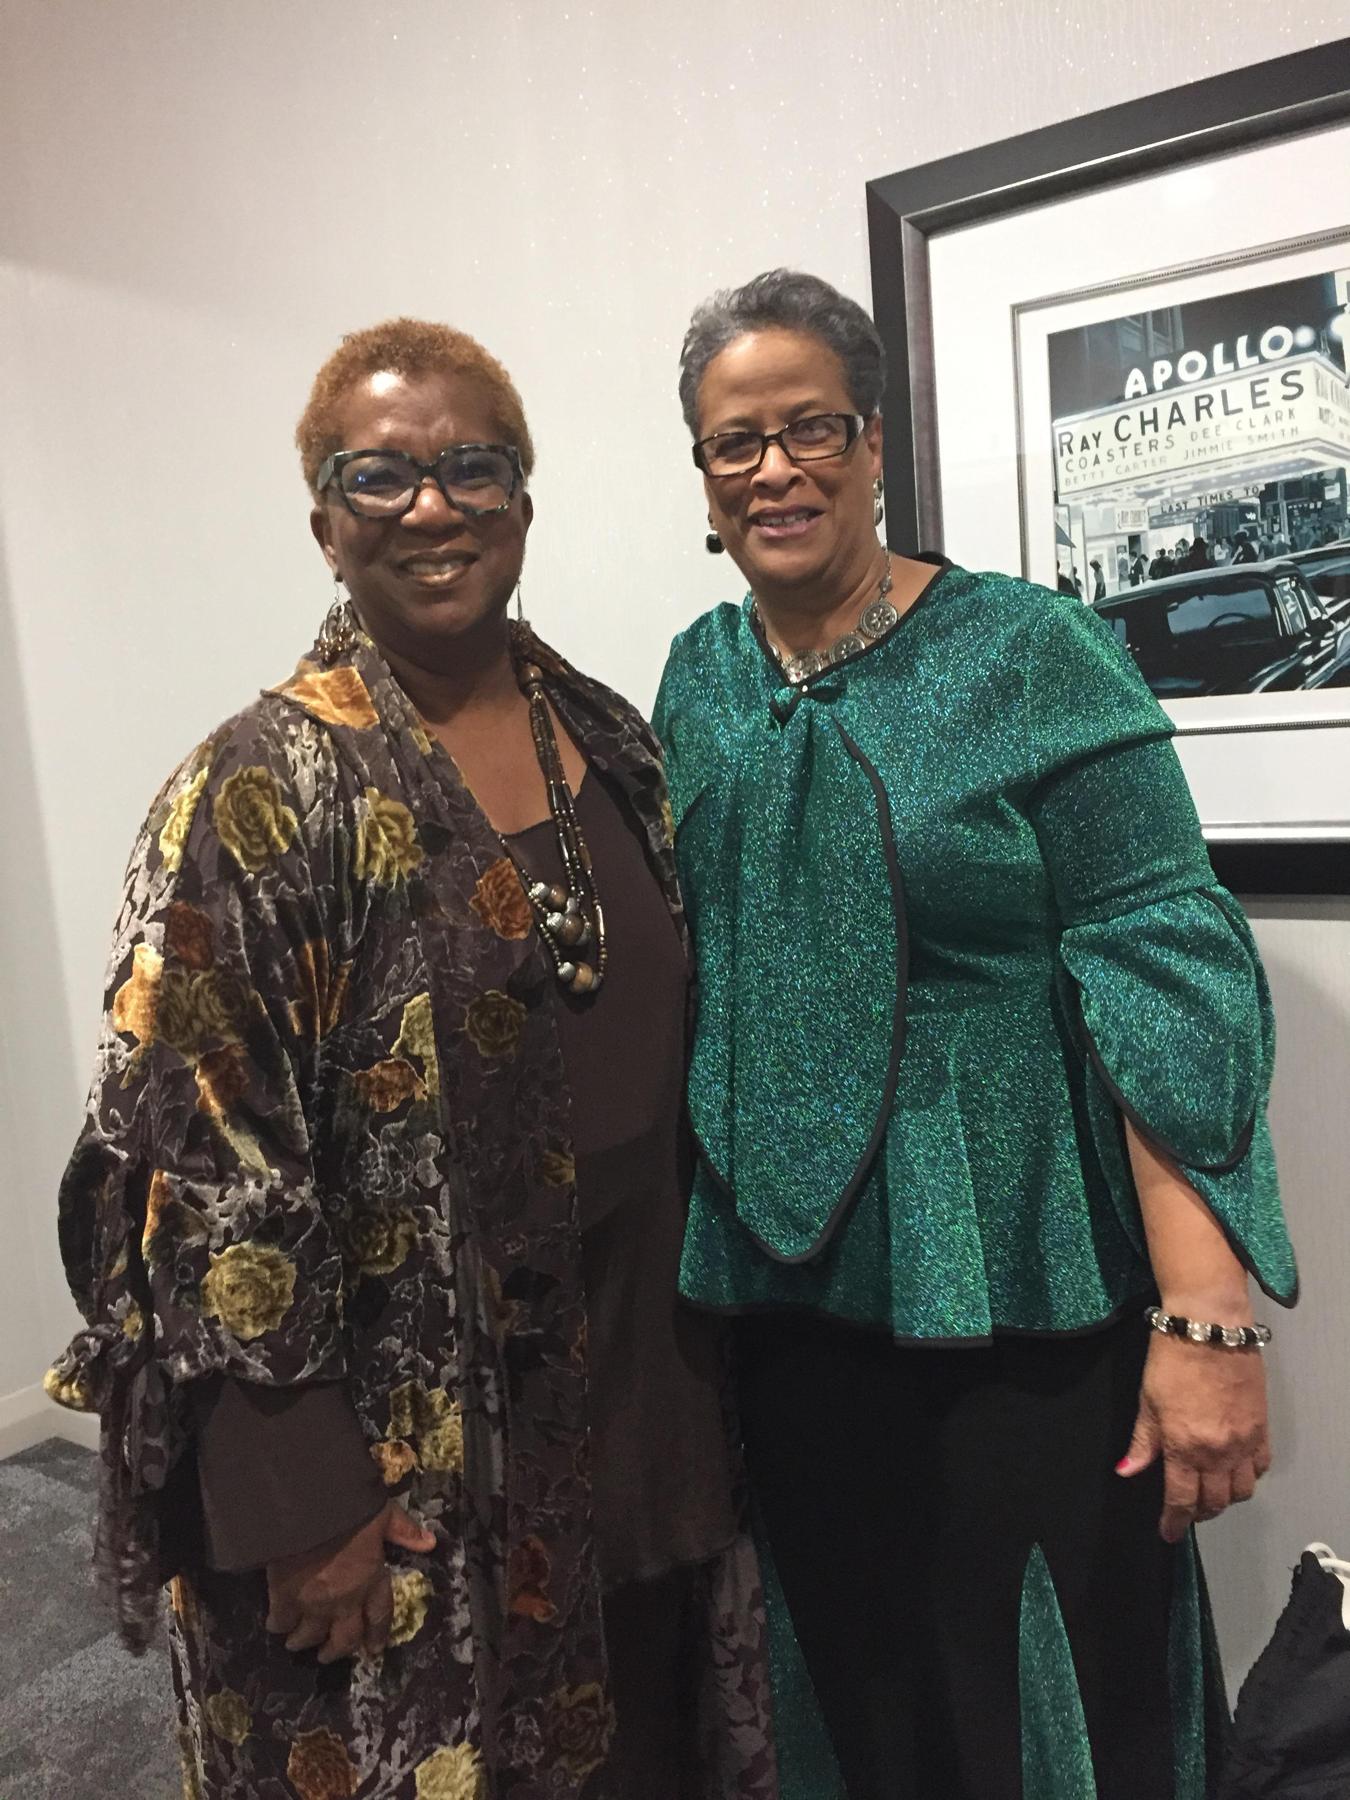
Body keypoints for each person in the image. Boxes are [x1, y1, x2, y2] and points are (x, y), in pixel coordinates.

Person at [46, 318, 778, 1800]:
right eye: (377, 476)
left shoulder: (609, 738)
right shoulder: (257, 790)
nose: (431, 506)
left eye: (471, 468)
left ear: (523, 498)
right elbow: (191, 1168)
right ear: (323, 521)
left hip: (638, 1405)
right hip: (401, 1459)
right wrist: (297, 1495)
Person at [654, 269, 1297, 1800]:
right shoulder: (697, 674)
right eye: (734, 441)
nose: (772, 469)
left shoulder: (1028, 650)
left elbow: (1164, 968)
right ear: (702, 473)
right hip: (786, 1298)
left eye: (809, 428)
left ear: (873, 442)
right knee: (858, 1685)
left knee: (1048, 1684)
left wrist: (1205, 1318)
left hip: (1019, 1283)